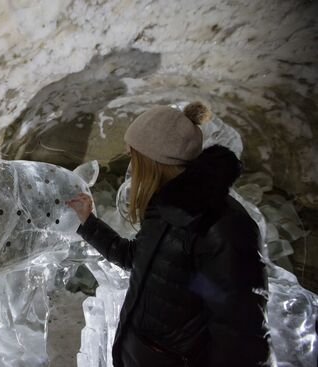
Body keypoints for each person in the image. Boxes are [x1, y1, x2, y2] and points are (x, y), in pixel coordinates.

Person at [66, 102, 270, 367]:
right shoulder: (166, 207)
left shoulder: (224, 227)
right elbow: (136, 258)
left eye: (134, 156)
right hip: (142, 353)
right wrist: (88, 222)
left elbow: (241, 335)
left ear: (154, 162)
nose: (131, 163)